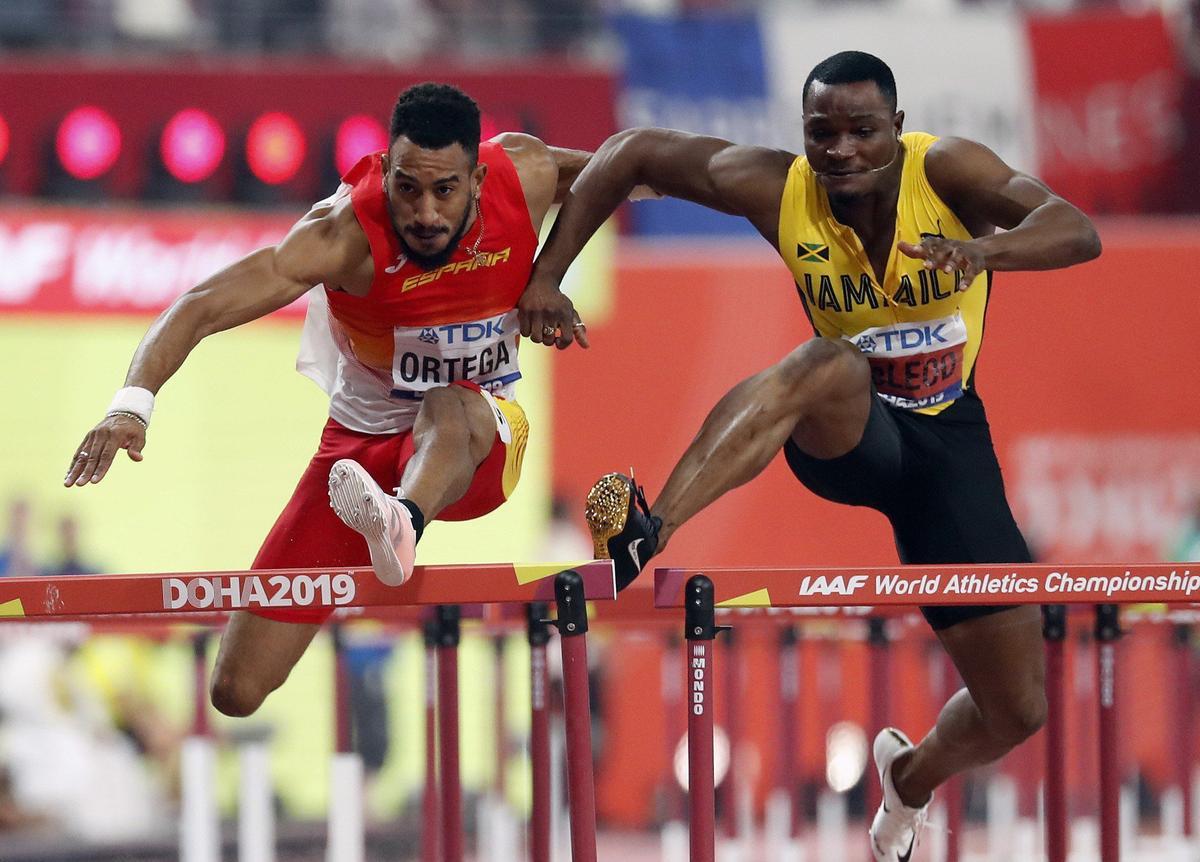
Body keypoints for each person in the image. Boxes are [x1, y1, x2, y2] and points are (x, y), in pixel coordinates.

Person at [521, 51, 1101, 861]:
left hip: (946, 445)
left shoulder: (949, 171)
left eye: (863, 131)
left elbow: (1077, 230)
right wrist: (547, 275)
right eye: (821, 132)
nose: (841, 150)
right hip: (850, 431)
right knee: (823, 362)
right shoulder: (778, 187)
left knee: (1017, 709)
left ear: (896, 130)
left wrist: (982, 253)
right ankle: (649, 531)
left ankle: (910, 777)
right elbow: (632, 153)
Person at [64, 82, 593, 718]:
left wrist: (549, 276)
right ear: (385, 174)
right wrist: (132, 402)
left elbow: (626, 169)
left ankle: (405, 521)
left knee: (444, 403)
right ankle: (387, 518)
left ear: (477, 179)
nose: (425, 215)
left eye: (445, 191)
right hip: (357, 460)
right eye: (407, 190)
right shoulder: (339, 235)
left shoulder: (525, 174)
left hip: (475, 443)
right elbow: (199, 306)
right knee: (235, 690)